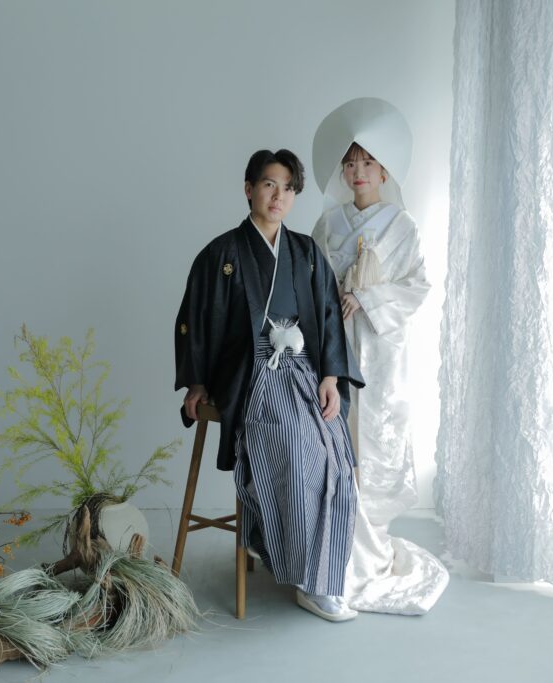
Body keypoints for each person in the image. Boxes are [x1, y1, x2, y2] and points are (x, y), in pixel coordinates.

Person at [175, 148, 365, 622]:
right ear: (249, 189)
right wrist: (197, 382)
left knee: (336, 454)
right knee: (298, 449)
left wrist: (330, 376)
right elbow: (194, 319)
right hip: (250, 372)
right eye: (268, 185)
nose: (278, 196)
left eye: (288, 188)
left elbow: (327, 315)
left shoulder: (304, 252)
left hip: (303, 368)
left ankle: (322, 572)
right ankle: (304, 577)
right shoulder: (222, 253)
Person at [311, 98, 449, 615]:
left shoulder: (402, 225)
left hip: (380, 351)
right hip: (335, 345)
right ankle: (330, 550)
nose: (358, 171)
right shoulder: (329, 223)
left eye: (368, 162)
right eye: (350, 163)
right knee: (336, 439)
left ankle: (365, 555)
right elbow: (312, 282)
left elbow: (417, 286)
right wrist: (333, 304)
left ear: (384, 170)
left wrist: (367, 299)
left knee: (375, 441)